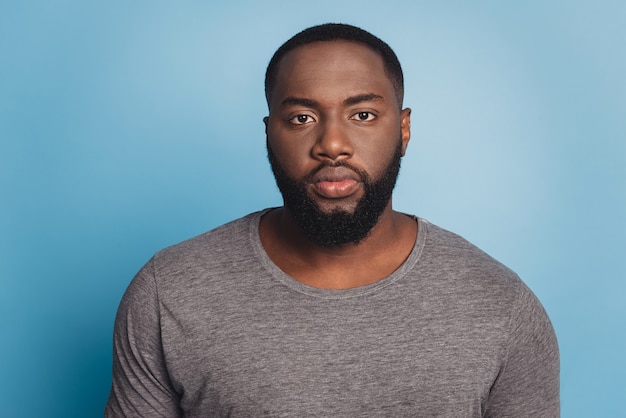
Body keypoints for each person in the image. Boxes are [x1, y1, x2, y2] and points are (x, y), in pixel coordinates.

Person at [105, 23, 559, 417]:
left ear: (403, 130)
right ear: (269, 134)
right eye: (302, 117)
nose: (333, 144)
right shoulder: (169, 292)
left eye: (362, 115)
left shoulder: (501, 307)